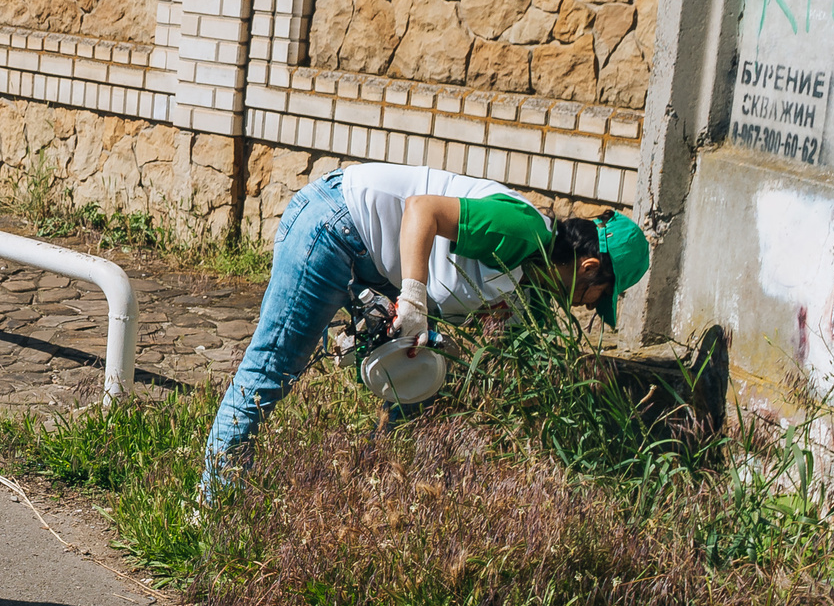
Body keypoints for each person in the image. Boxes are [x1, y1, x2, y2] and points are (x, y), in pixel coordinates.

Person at [200, 162, 650, 491]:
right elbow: (421, 210)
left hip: (372, 259)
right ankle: (212, 509)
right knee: (272, 370)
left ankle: (372, 499)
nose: (589, 308)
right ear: (589, 268)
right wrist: (412, 297)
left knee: (419, 391)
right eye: (599, 297)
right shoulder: (523, 231)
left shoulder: (529, 285)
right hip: (335, 223)